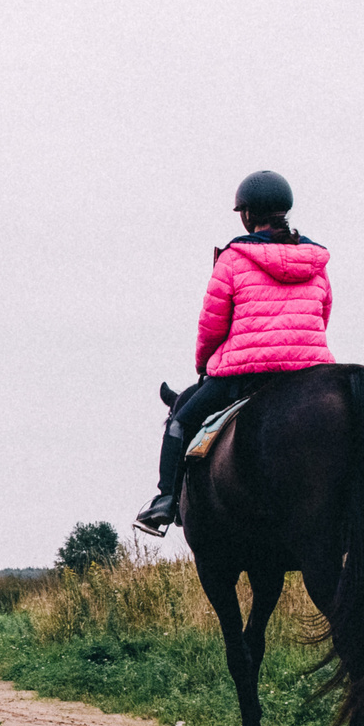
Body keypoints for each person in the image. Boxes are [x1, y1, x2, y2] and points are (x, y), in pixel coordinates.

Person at [132, 170, 334, 535]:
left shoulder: (233, 258)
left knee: (180, 421)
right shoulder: (314, 260)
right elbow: (323, 314)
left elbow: (212, 324)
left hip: (245, 372)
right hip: (309, 369)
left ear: (247, 215)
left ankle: (165, 500)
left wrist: (204, 364)